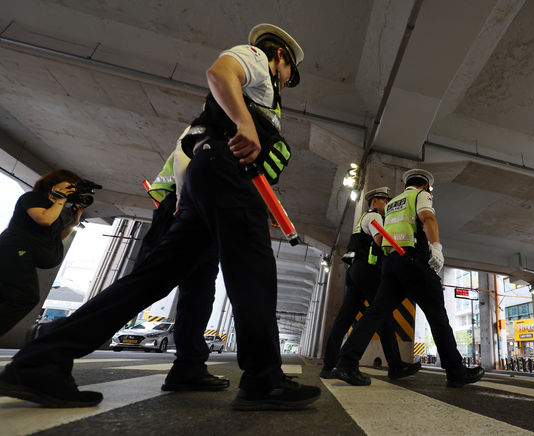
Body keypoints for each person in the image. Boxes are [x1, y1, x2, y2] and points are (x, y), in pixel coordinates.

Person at [0, 23, 321, 410]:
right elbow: (219, 73)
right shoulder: (256, 60)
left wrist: (195, 198)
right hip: (224, 175)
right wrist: (245, 123)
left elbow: (200, 144)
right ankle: (263, 379)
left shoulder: (263, 96)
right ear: (281, 56)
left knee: (151, 278)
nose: (288, 81)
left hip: (214, 183)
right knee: (253, 270)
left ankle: (42, 358)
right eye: (290, 74)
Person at [334, 169, 485, 387]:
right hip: (414, 262)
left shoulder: (394, 202)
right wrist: (437, 248)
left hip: (391, 264)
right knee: (437, 316)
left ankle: (346, 363)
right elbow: (427, 218)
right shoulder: (420, 196)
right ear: (426, 186)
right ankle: (455, 371)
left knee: (375, 313)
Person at [133, 153, 227, 392]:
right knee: (146, 284)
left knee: (200, 295)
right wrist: (184, 196)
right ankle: (55, 344)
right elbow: (187, 154)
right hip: (184, 205)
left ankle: (189, 367)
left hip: (208, 211)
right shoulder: (226, 118)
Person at [319, 187, 421, 380]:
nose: (387, 204)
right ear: (375, 201)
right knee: (381, 315)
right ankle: (394, 365)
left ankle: (329, 366)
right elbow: (380, 239)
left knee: (344, 319)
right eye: (385, 201)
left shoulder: (362, 220)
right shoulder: (373, 217)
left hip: (355, 271)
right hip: (367, 270)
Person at [0, 170, 84, 337]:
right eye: (69, 185)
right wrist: (61, 200)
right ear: (54, 183)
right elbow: (44, 219)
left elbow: (58, 236)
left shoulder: (54, 209)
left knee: (11, 296)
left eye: (75, 187)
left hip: (24, 256)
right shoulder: (32, 198)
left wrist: (75, 220)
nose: (73, 189)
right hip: (14, 250)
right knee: (25, 297)